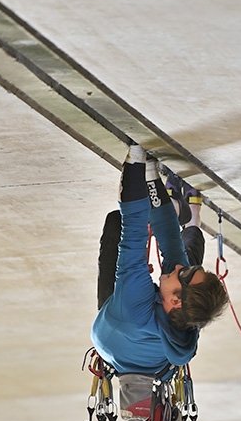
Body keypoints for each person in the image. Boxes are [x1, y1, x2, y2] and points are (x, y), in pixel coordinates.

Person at [91, 145, 228, 381]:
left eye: (184, 273)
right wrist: (151, 169)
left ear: (175, 301)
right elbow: (170, 237)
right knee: (184, 254)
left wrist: (137, 155)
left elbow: (133, 227)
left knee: (116, 222)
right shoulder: (183, 304)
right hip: (155, 340)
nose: (179, 268)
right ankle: (184, 210)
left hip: (118, 326)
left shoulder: (131, 306)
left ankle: (178, 207)